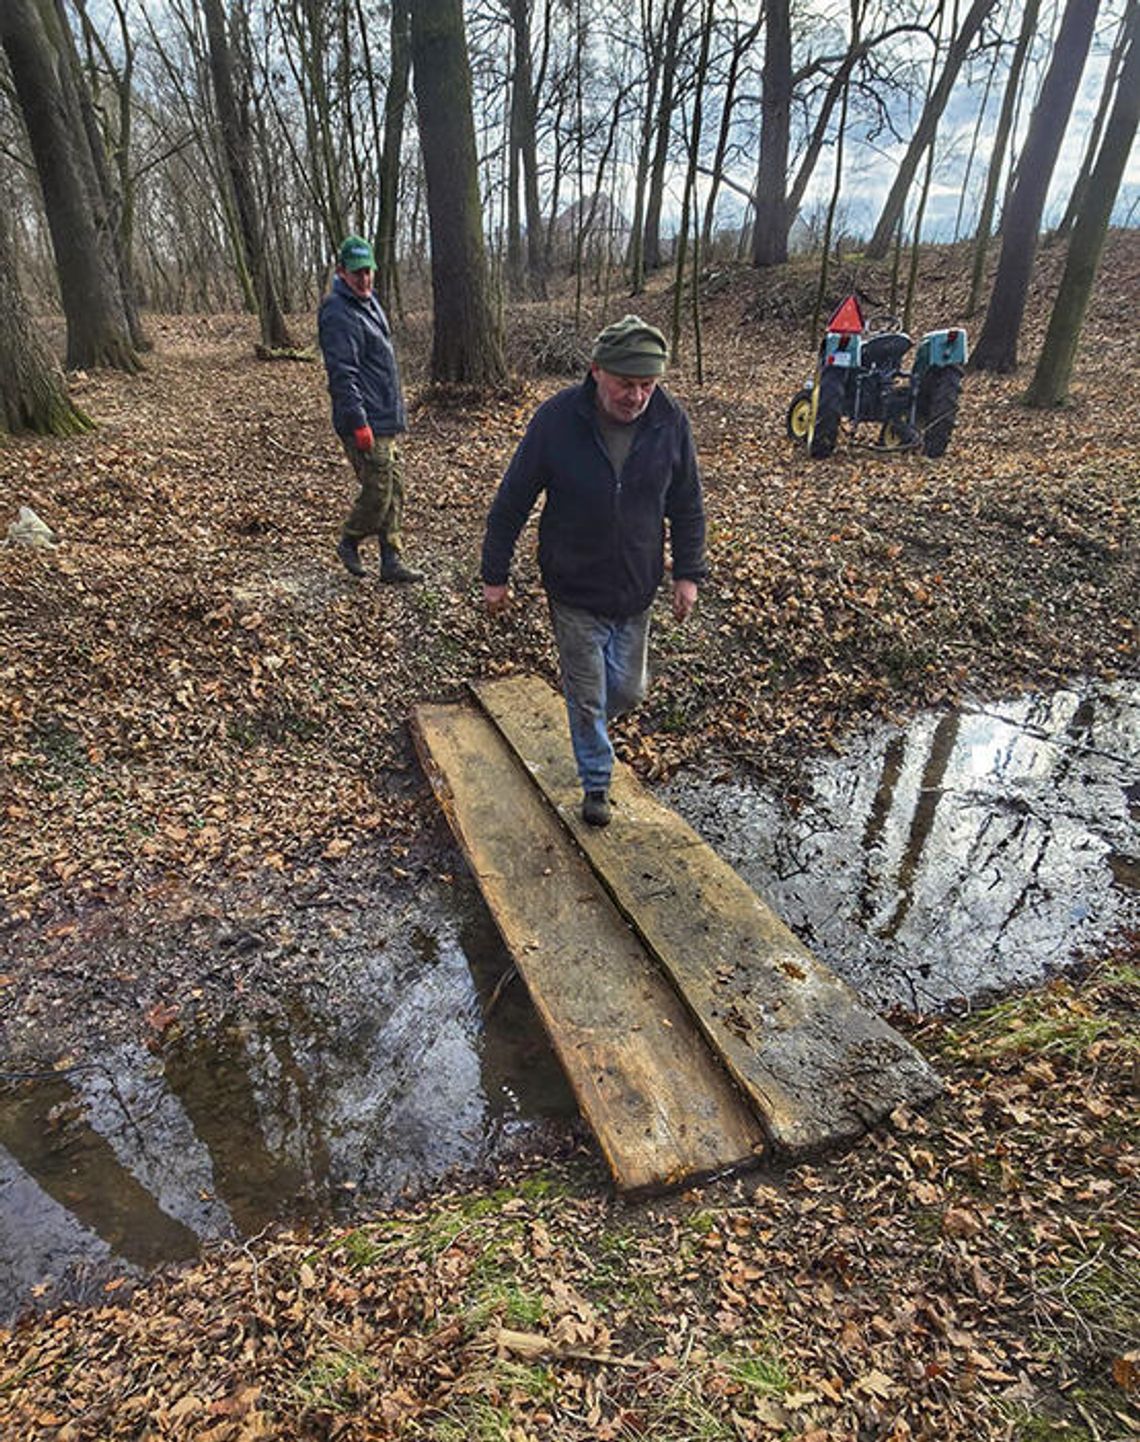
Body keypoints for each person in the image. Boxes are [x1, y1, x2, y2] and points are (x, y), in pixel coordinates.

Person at [481, 314, 706, 828]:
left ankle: (591, 728)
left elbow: (688, 504)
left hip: (636, 588)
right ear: (597, 371)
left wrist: (688, 574)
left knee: (626, 691)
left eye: (648, 385)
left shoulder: (670, 422)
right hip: (574, 587)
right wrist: (496, 574)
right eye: (627, 384)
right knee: (587, 695)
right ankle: (597, 784)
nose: (637, 396)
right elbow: (513, 499)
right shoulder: (558, 420)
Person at [318, 235, 422, 583]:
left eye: (368, 271)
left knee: (395, 489)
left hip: (385, 415)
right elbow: (342, 375)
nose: (364, 279)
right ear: (341, 272)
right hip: (364, 420)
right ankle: (349, 540)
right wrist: (358, 423)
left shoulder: (370, 302)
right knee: (378, 491)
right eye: (357, 273)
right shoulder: (337, 312)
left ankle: (391, 561)